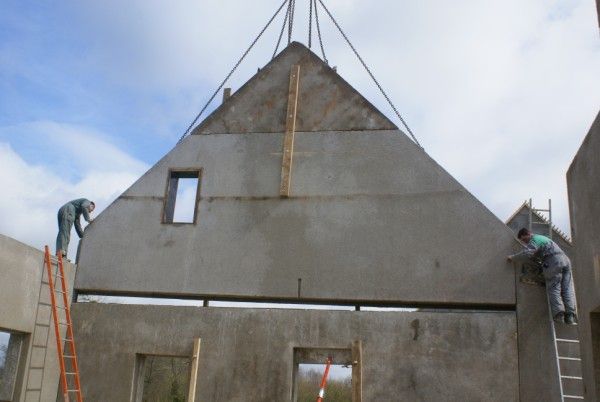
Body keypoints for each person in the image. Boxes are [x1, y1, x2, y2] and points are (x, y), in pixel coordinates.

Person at [507, 228, 577, 325]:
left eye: (524, 240)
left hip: (554, 261)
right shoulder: (544, 239)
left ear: (528, 234)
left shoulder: (534, 239)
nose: (525, 243)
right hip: (565, 260)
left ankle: (559, 315)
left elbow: (527, 253)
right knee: (567, 288)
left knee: (554, 287)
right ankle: (570, 316)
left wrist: (513, 257)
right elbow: (538, 253)